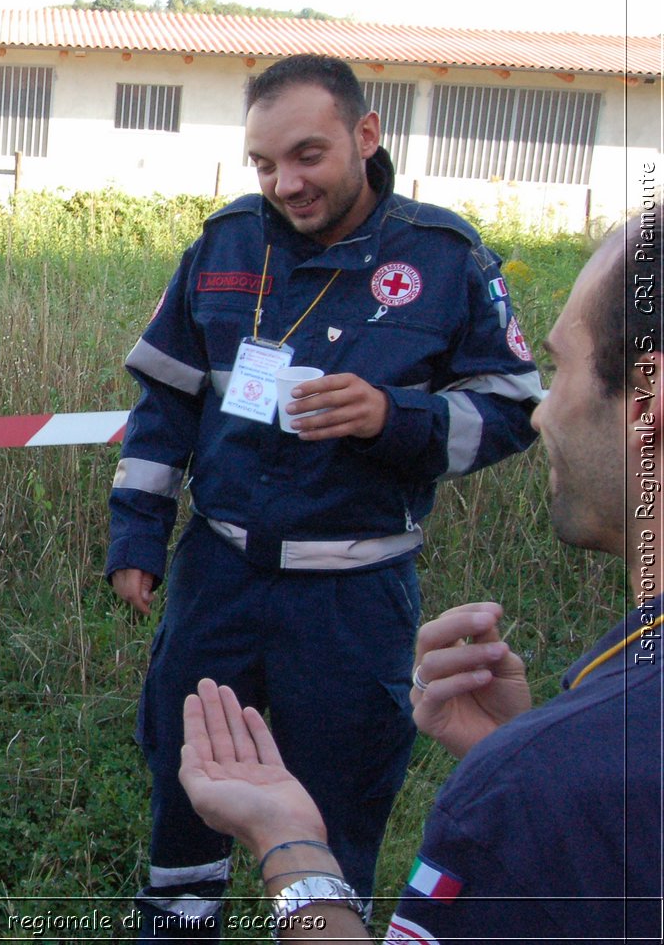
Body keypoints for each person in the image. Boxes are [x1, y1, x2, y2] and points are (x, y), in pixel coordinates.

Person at [105, 54, 543, 935]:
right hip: (218, 575)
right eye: (265, 164)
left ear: (366, 136)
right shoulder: (226, 242)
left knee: (338, 805)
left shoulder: (444, 257)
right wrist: (137, 533)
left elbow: (513, 408)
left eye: (307, 156)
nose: (285, 183)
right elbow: (165, 399)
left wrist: (395, 416)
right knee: (189, 782)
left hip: (355, 592)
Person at [178, 213, 662, 941]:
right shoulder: (583, 749)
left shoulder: (546, 786)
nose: (543, 416)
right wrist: (522, 745)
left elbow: (500, 410)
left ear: (647, 408)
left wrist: (292, 850)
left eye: (562, 367)